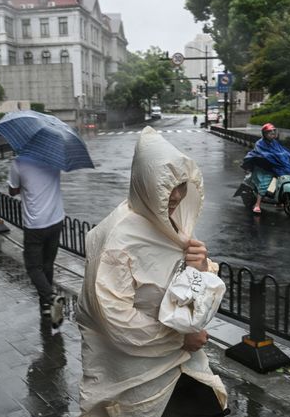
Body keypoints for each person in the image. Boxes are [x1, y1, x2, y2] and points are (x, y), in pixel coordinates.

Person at [77, 127, 228, 416]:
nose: (176, 196)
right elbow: (114, 317)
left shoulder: (168, 225)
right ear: (145, 183)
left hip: (182, 362)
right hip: (137, 371)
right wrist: (179, 338)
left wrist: (200, 269)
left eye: (181, 185)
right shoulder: (119, 239)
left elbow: (180, 293)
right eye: (165, 186)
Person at [8, 157, 65, 327]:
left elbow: (12, 190)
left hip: (35, 225)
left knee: (33, 267)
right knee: (47, 265)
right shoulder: (55, 159)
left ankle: (51, 298)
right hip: (56, 220)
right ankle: (46, 308)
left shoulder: (19, 163)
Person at [242, 123, 290, 214]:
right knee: (266, 182)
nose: (272, 133)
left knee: (285, 176)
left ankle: (280, 198)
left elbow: (283, 151)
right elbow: (262, 154)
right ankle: (257, 204)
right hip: (264, 166)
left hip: (275, 165)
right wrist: (270, 156)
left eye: (273, 131)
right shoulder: (259, 143)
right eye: (269, 132)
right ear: (264, 134)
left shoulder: (275, 142)